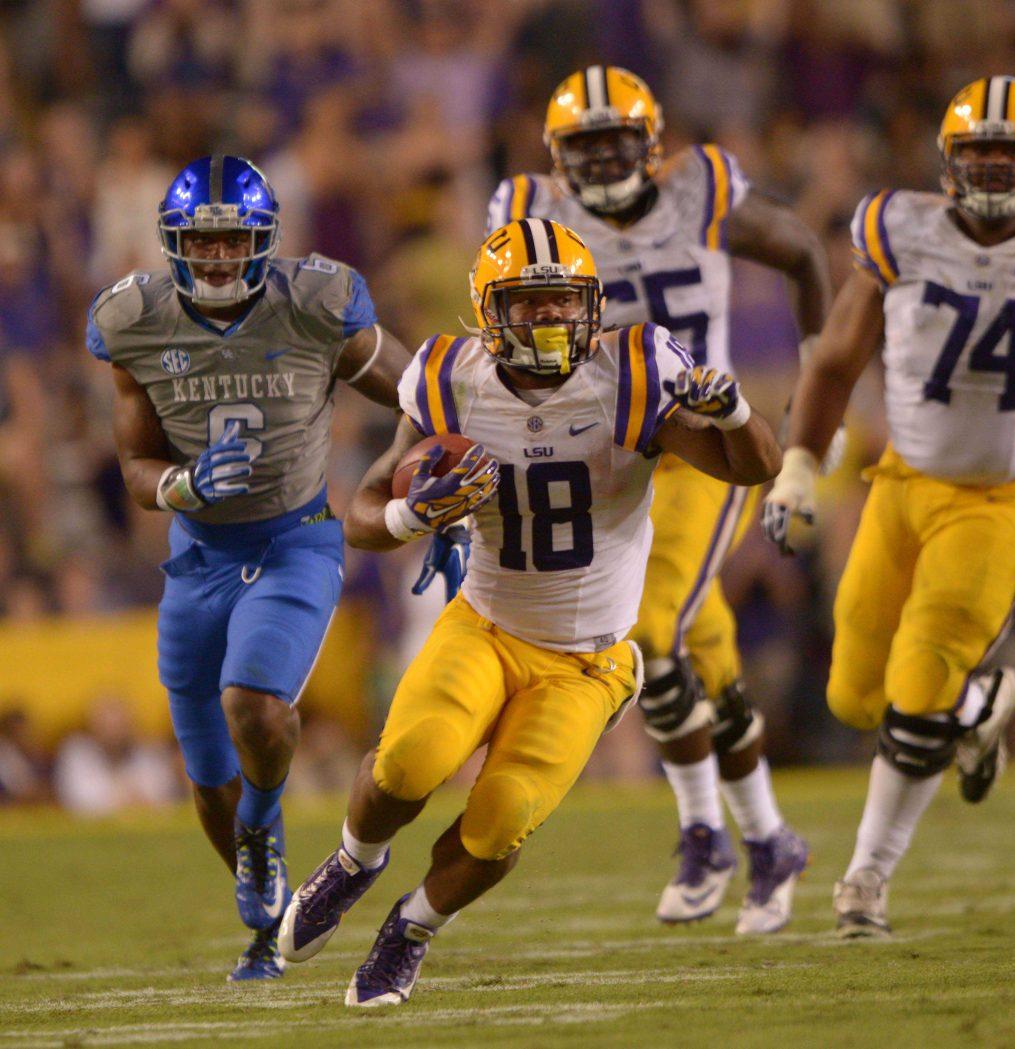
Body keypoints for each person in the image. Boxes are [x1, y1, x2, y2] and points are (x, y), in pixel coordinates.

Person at [279, 217, 781, 1006]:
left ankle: (410, 927)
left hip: (588, 659)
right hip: (486, 623)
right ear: (488, 312)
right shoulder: (452, 379)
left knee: (501, 816)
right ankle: (352, 861)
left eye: (563, 303)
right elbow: (365, 511)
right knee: (408, 762)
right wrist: (417, 516)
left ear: (592, 305)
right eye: (529, 304)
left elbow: (751, 468)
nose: (550, 320)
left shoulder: (633, 373)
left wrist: (735, 414)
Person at [762, 77, 1015, 937]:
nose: (996, 169)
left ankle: (866, 877)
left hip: (1006, 495)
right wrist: (795, 464)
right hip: (905, 482)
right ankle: (978, 708)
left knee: (916, 681)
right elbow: (833, 359)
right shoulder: (899, 230)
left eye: (1012, 154)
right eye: (981, 153)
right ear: (949, 161)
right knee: (854, 696)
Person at [486, 65, 831, 933]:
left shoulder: (703, 193)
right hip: (608, 457)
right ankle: (770, 838)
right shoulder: (531, 216)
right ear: (555, 154)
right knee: (705, 661)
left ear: (654, 139)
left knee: (646, 631)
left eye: (616, 139)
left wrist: (814, 386)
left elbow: (804, 253)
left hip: (698, 451)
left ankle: (702, 830)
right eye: (584, 143)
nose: (602, 158)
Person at [87, 155, 413, 980]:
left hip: (292, 541)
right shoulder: (135, 321)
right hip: (195, 556)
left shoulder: (315, 305)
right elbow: (132, 462)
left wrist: (424, 485)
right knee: (205, 777)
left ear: (264, 238)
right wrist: (179, 481)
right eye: (205, 242)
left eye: (236, 239)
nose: (221, 257)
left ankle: (265, 824)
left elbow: (422, 391)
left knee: (254, 704)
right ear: (174, 244)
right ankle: (265, 924)